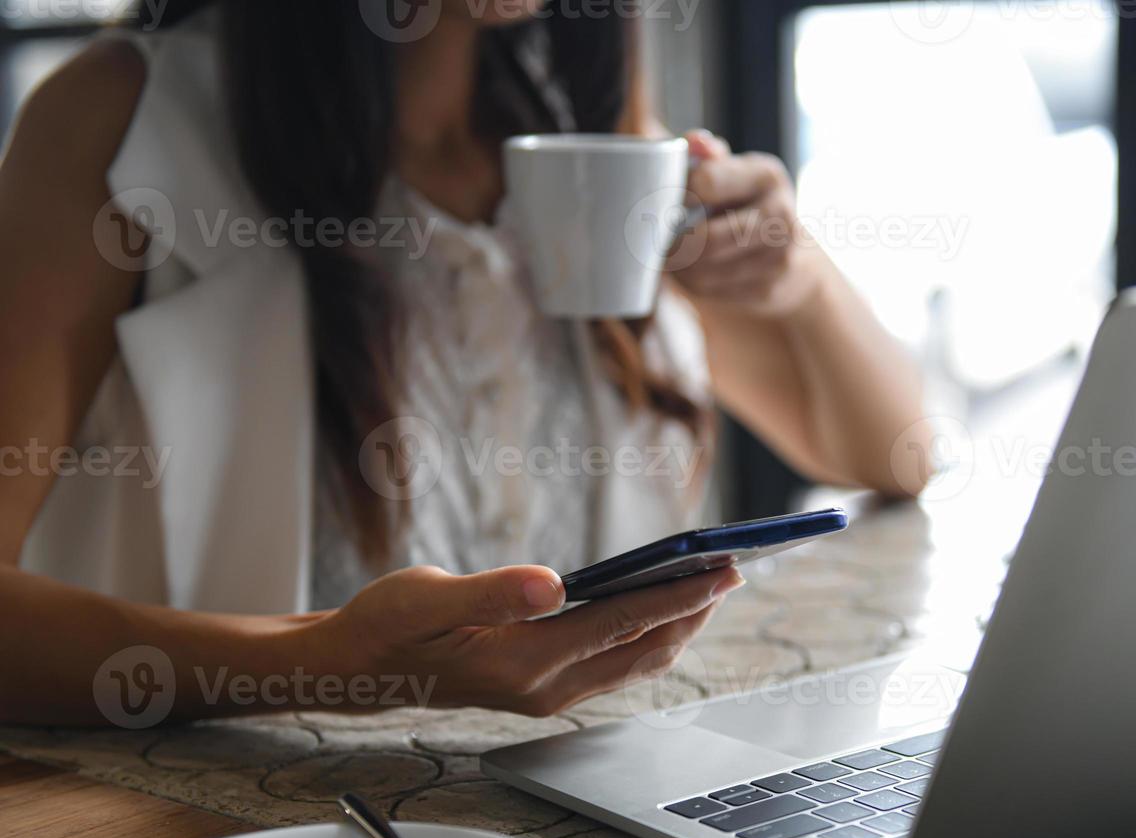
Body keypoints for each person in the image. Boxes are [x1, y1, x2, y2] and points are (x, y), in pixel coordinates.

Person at [0, 1, 927, 725]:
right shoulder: (122, 122)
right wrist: (324, 665)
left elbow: (896, 457)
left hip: (576, 819)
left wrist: (796, 278)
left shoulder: (580, 138)